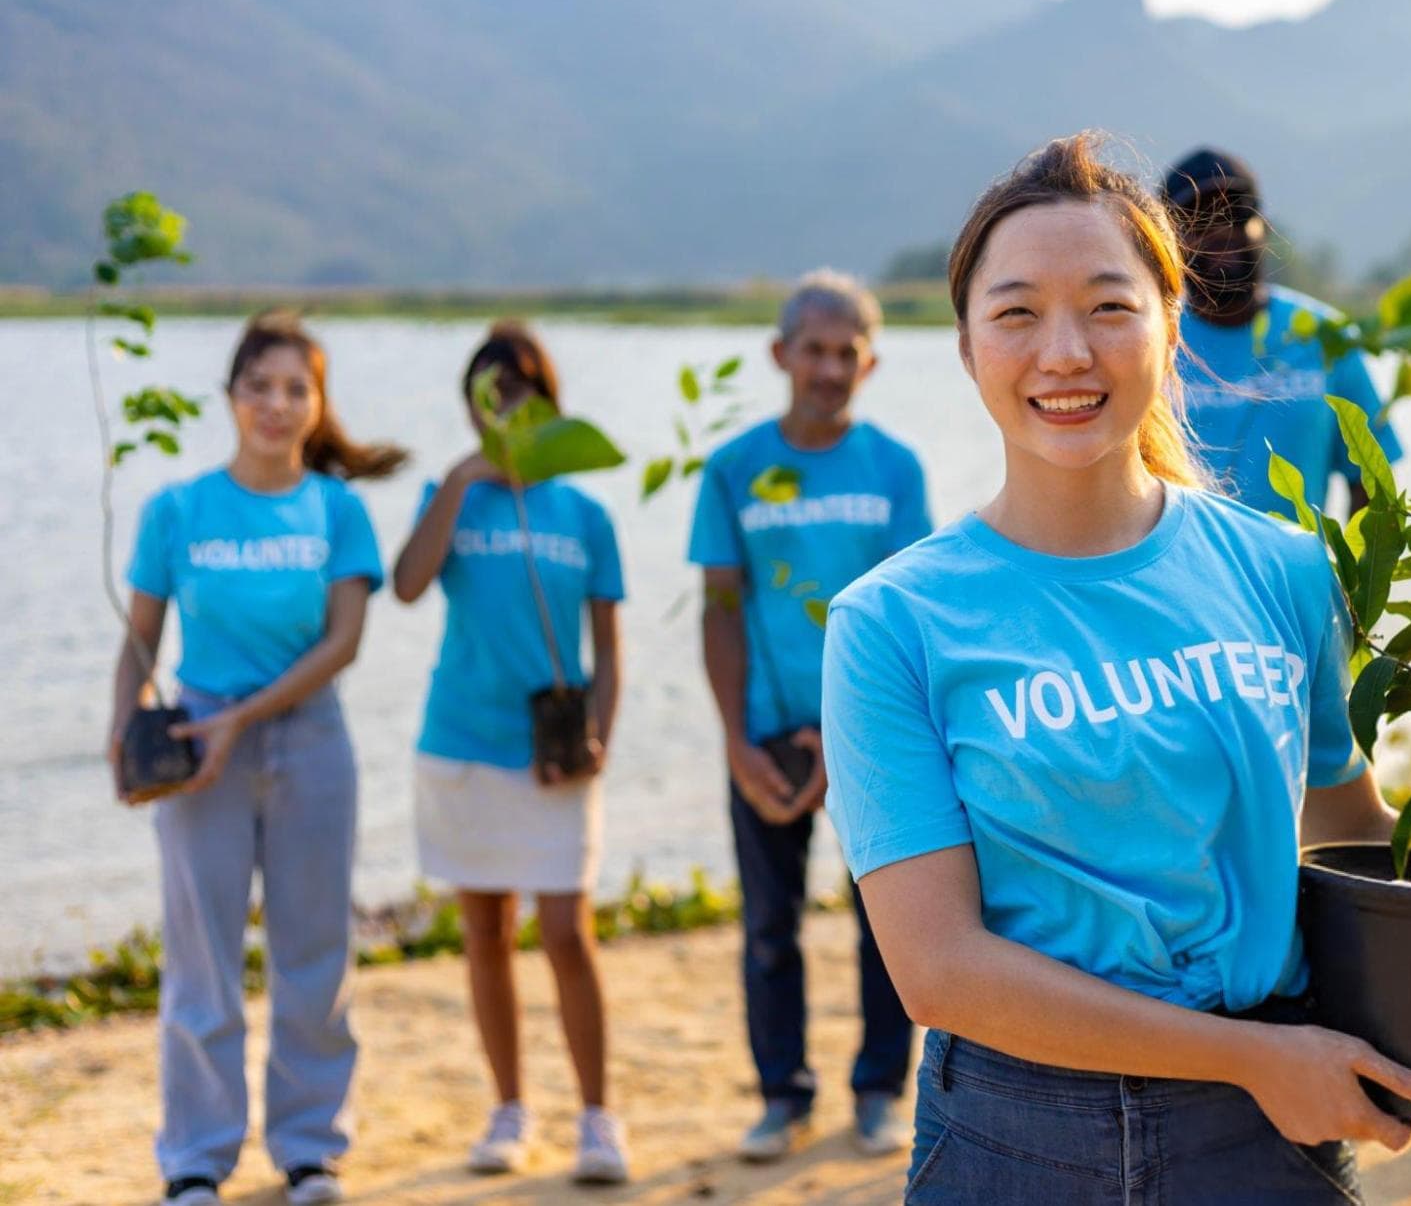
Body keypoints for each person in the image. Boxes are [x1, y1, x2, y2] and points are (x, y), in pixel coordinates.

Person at [819, 134, 1411, 1203]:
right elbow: (939, 968)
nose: (1064, 350)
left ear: (1172, 329)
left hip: (1265, 1134)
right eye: (1016, 311)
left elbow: (1344, 840)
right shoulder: (893, 619)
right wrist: (1251, 1059)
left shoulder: (1285, 570)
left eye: (1110, 306)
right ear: (970, 346)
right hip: (1016, 1138)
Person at [109, 312, 405, 1206]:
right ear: (231, 398)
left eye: (295, 390)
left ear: (317, 406)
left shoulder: (337, 509)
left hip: (310, 740)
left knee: (313, 954)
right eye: (259, 387)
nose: (276, 405)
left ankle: (309, 1149)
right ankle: (195, 1160)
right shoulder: (177, 509)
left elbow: (345, 642)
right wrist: (127, 735)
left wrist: (246, 716)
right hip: (199, 749)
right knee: (201, 961)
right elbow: (139, 643)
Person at [689, 271, 931, 1161]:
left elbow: (909, 615)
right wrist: (732, 743)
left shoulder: (895, 469)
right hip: (762, 733)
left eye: (846, 353)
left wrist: (846, 737)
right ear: (780, 354)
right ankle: (782, 1097)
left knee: (889, 922)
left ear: (869, 363)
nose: (828, 369)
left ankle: (879, 1093)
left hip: (873, 736)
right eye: (814, 351)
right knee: (767, 927)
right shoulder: (735, 469)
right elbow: (719, 608)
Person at [390, 322, 630, 1183]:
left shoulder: (584, 510)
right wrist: (458, 481)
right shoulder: (454, 496)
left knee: (567, 933)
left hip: (553, 752)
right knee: (485, 930)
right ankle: (508, 1109)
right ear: (472, 405)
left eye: (521, 392)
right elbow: (407, 585)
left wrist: (601, 729)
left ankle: (598, 1118)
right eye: (489, 395)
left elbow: (609, 642)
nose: (505, 408)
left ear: (545, 401)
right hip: (460, 741)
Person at [1163, 146, 1402, 520]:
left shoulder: (1328, 337)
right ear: (1165, 239)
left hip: (1300, 579)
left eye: (1238, 216)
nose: (1222, 233)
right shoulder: (1151, 342)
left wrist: (1354, 572)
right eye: (1199, 220)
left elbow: (1374, 481)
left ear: (1263, 225)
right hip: (1178, 579)